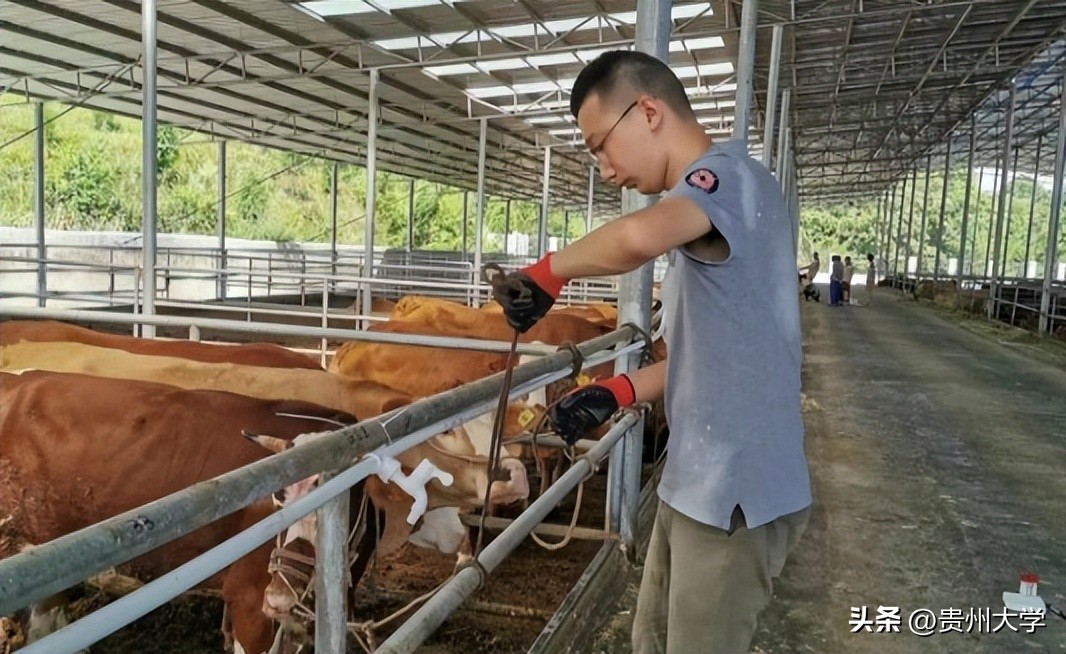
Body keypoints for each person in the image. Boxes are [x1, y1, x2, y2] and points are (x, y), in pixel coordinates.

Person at [489, 51, 811, 654]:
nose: (605, 170)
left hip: (731, 494)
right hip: (697, 482)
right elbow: (715, 356)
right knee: (653, 641)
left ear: (648, 112)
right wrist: (618, 391)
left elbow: (636, 238)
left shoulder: (725, 181)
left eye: (599, 146)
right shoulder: (722, 203)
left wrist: (546, 273)